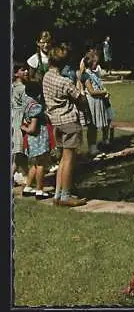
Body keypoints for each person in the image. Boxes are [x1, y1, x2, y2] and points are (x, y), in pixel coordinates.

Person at [42, 46, 88, 207]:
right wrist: (79, 79)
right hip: (69, 122)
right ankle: (66, 196)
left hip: (56, 122)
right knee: (69, 159)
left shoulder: (46, 77)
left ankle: (58, 194)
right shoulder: (64, 81)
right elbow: (80, 99)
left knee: (63, 158)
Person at [20, 82, 55, 199]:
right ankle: (40, 190)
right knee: (41, 164)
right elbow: (32, 128)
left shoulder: (27, 103)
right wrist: (25, 128)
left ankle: (28, 187)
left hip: (32, 141)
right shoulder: (36, 107)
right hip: (39, 139)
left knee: (35, 164)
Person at [81, 51, 112, 156]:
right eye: (95, 63)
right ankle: (92, 147)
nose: (97, 65)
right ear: (90, 62)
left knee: (97, 125)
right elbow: (91, 91)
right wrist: (104, 92)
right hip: (92, 102)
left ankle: (96, 145)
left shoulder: (94, 73)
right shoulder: (86, 75)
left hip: (98, 101)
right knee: (92, 126)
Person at [12, 64, 29, 185]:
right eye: (23, 70)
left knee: (20, 151)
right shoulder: (22, 88)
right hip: (20, 120)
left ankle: (26, 175)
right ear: (16, 73)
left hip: (13, 118)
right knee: (19, 151)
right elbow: (26, 105)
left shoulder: (12, 87)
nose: (27, 71)